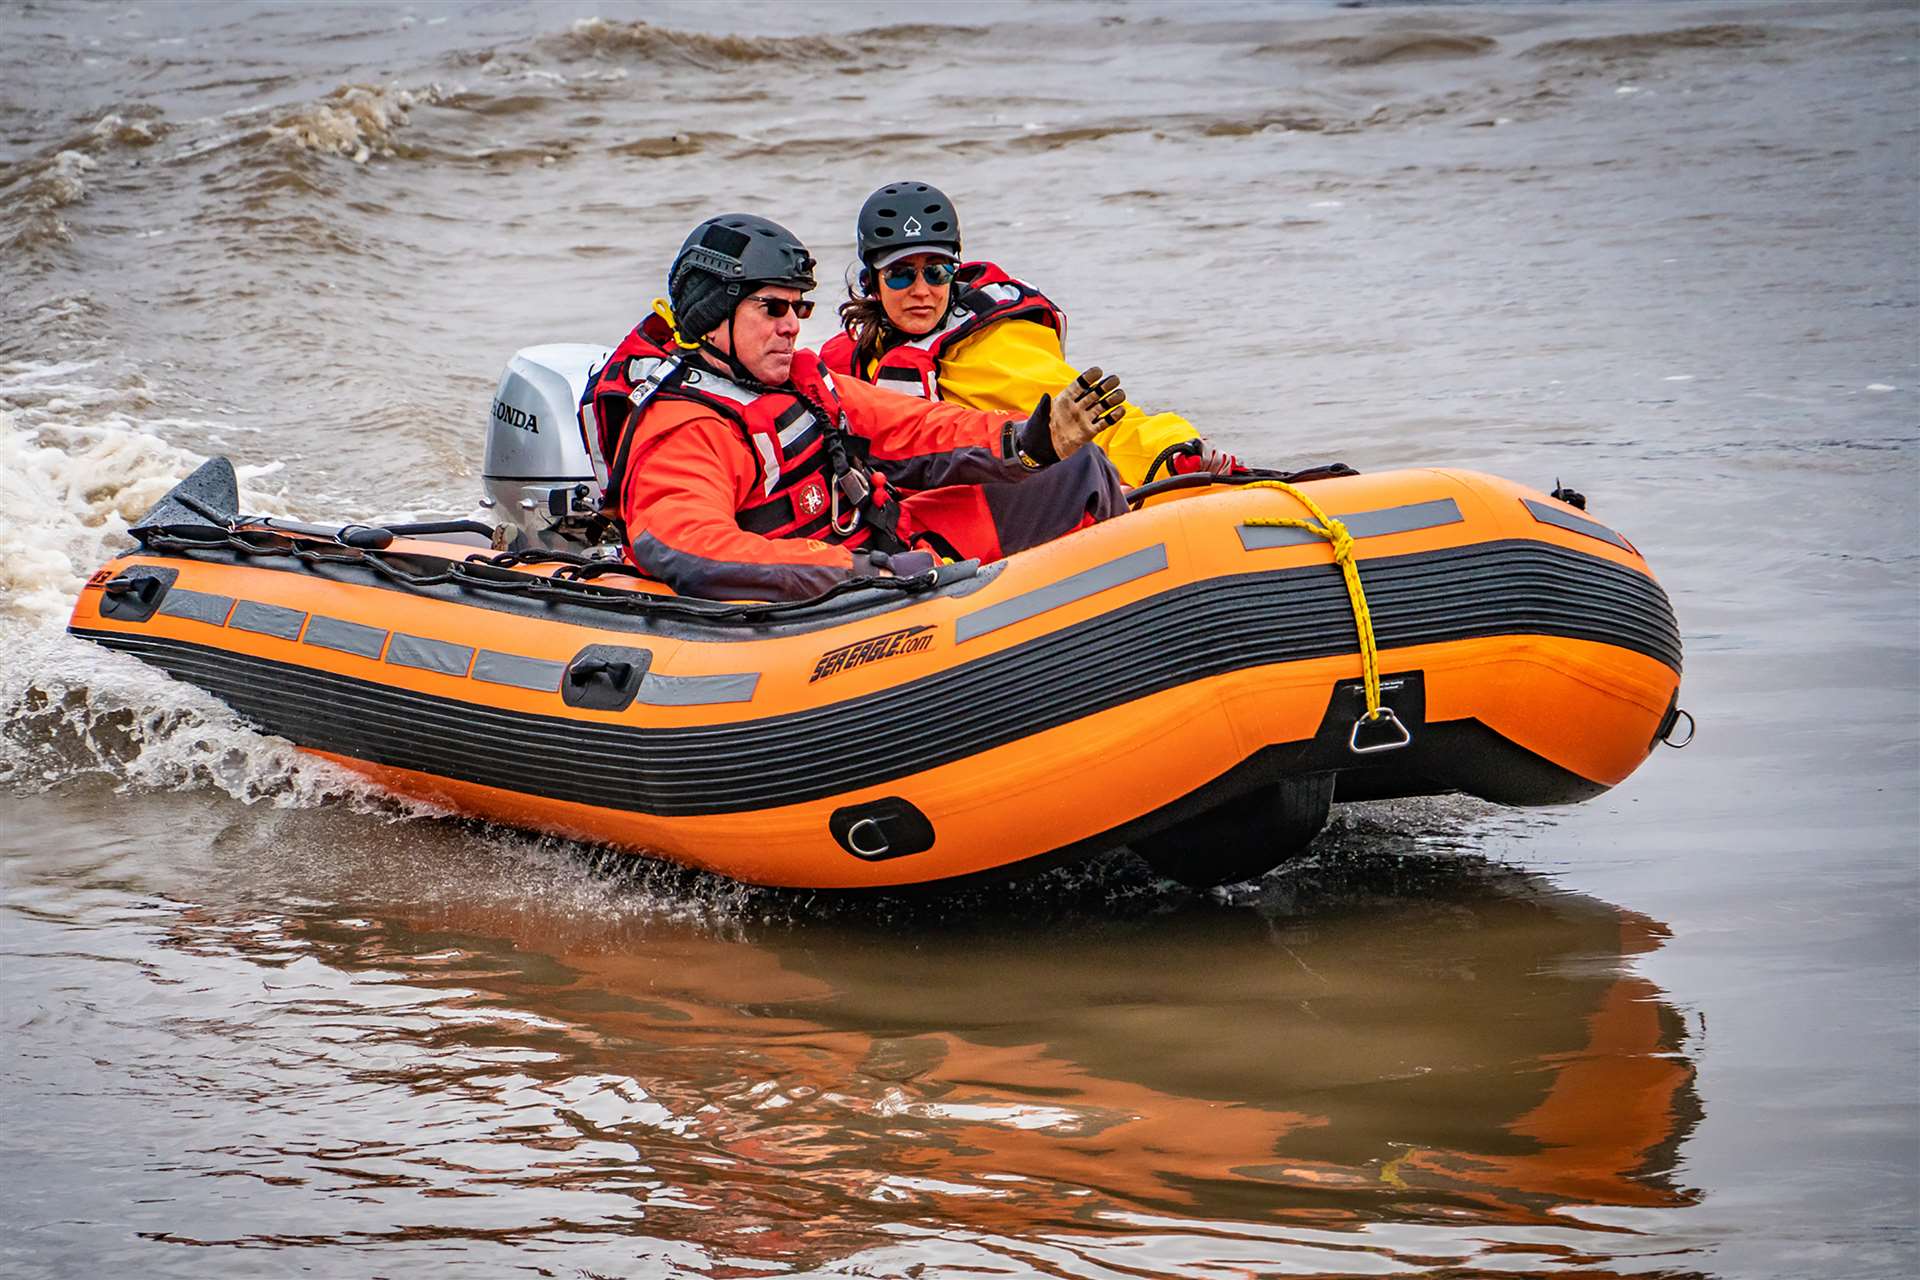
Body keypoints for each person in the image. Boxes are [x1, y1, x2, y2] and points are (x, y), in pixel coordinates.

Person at [579, 213, 1131, 602]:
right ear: (711, 314)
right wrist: (863, 572)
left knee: (1076, 470)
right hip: (820, 605)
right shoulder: (685, 426)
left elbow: (914, 429)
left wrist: (1026, 441)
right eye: (772, 308)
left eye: (799, 307)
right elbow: (687, 544)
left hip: (886, 548)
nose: (793, 325)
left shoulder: (801, 378)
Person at [821, 181, 1238, 487]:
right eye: (899, 275)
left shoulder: (991, 347)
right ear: (871, 282)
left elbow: (1099, 423)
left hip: (1009, 502)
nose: (921, 291)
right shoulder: (848, 359)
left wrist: (1172, 453)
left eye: (936, 271)